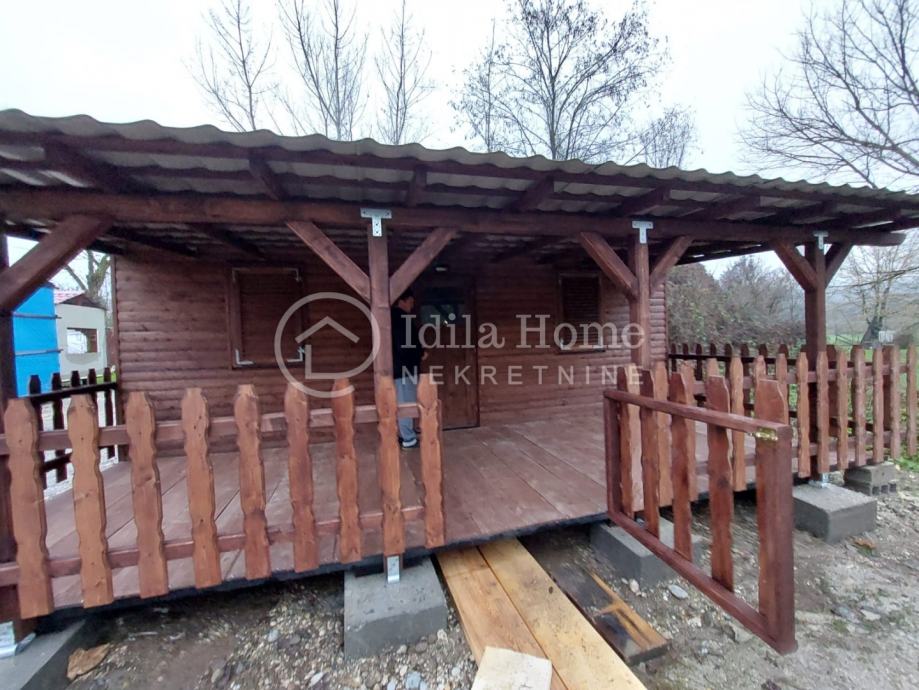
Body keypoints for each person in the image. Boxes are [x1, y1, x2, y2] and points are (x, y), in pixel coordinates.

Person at [391, 289, 424, 448]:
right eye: (410, 301)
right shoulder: (400, 319)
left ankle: (404, 434)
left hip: (400, 368)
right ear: (401, 301)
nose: (412, 305)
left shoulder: (393, 318)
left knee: (403, 401)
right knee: (406, 403)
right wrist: (420, 353)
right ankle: (408, 439)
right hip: (404, 368)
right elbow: (405, 345)